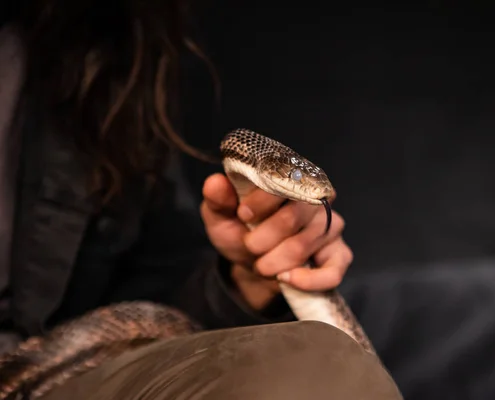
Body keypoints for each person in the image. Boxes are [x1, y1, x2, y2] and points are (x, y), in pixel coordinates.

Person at [0, 0, 402, 398]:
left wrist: (246, 280)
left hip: (64, 374)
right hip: (38, 367)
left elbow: (160, 301)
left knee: (324, 364)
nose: (317, 191)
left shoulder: (101, 54)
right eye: (298, 177)